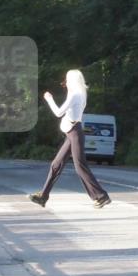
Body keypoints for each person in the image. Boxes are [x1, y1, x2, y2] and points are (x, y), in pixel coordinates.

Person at [29, 70, 111, 208]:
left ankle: (101, 196)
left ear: (72, 81)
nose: (65, 82)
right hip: (72, 133)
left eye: (67, 80)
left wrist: (49, 99)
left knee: (80, 166)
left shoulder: (74, 95)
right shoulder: (81, 93)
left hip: (74, 133)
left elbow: (58, 113)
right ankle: (43, 196)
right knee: (56, 164)